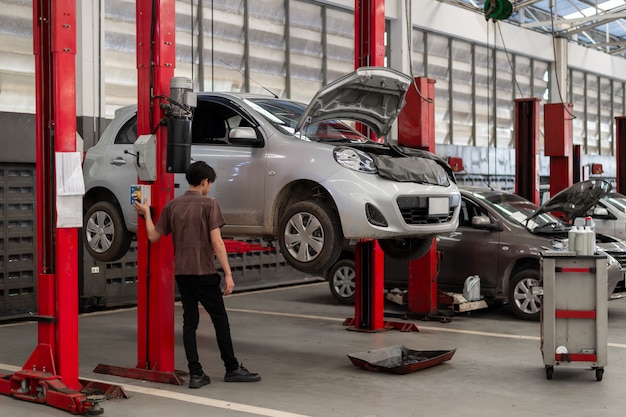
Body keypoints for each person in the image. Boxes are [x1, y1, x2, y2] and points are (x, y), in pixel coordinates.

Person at [133, 161, 261, 388]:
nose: (210, 187)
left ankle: (196, 374)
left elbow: (153, 237)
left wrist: (146, 214)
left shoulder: (173, 206)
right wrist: (229, 274)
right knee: (220, 321)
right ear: (205, 181)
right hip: (204, 272)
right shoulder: (210, 204)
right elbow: (217, 242)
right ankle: (231, 368)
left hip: (182, 273)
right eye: (210, 183)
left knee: (189, 323)